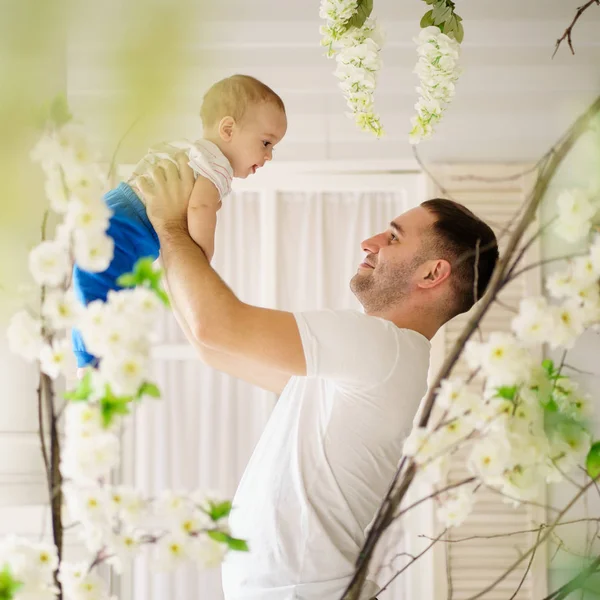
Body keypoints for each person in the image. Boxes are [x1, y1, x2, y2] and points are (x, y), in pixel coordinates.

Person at [135, 155, 499, 600]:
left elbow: (215, 326)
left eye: (393, 237)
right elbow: (211, 346)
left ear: (432, 272)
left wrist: (170, 228)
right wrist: (170, 235)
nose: (369, 241)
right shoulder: (377, 364)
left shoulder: (379, 347)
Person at [72, 74, 287, 368]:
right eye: (265, 143)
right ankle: (90, 359)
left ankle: (88, 355)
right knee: (101, 291)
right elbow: (200, 207)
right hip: (131, 221)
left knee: (99, 285)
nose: (269, 156)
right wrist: (201, 255)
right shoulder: (216, 166)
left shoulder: (193, 152)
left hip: (121, 208)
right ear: (227, 129)